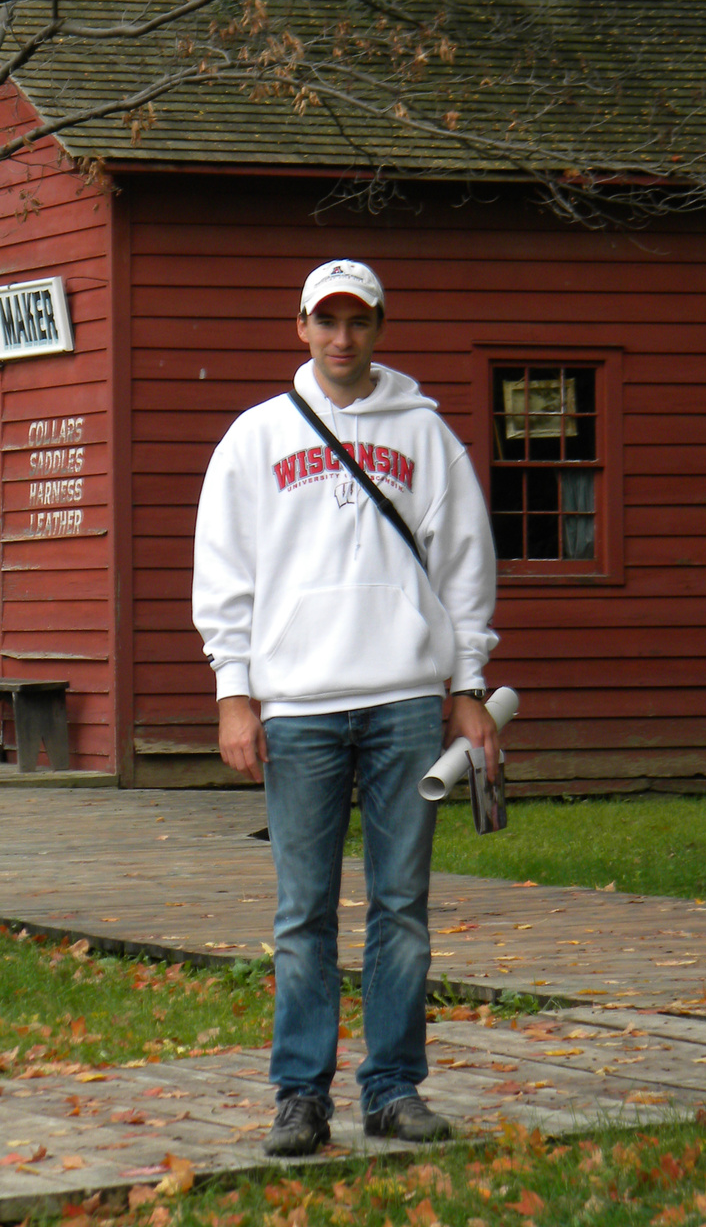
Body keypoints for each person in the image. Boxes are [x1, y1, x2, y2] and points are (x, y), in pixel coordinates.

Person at [192, 258, 500, 1156]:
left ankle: (394, 1087)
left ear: (378, 328)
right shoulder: (255, 438)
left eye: (357, 321)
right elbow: (225, 575)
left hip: (405, 698)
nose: (341, 337)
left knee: (403, 907)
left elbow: (464, 569)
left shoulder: (426, 436)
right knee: (304, 914)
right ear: (301, 328)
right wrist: (233, 693)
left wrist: (468, 686)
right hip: (297, 707)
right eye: (325, 321)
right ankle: (301, 1096)